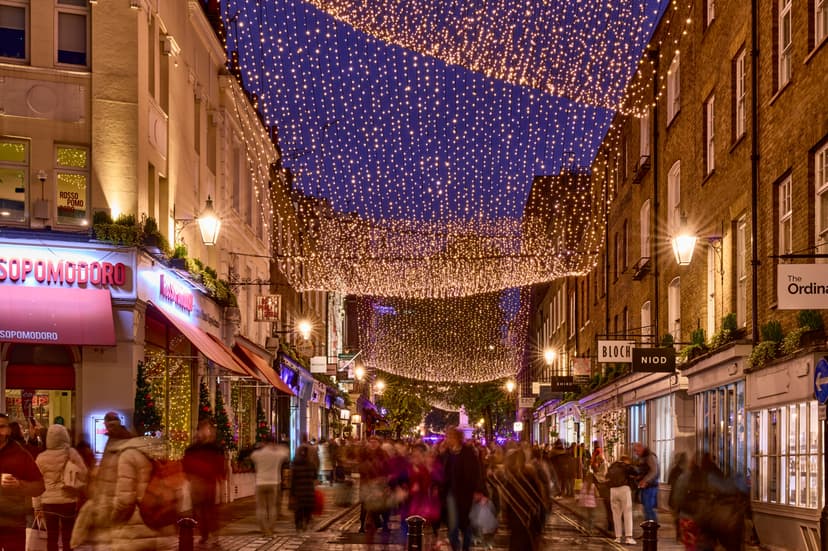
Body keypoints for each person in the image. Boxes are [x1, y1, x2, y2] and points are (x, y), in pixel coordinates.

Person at [34, 424, 88, 551]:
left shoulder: (41, 458)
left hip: (48, 502)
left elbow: (36, 484)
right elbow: (84, 473)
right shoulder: (71, 453)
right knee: (68, 536)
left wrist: (36, 506)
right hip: (68, 500)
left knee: (51, 537)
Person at [0, 412, 46, 550]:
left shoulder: (20, 454)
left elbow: (39, 487)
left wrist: (20, 484)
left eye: (1, 427)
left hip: (13, 524)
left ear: (8, 429)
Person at [182, 419, 227, 547]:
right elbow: (186, 464)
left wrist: (221, 482)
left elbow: (220, 466)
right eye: (204, 429)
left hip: (209, 484)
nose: (207, 432)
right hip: (196, 483)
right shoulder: (193, 448)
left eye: (209, 430)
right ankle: (204, 535)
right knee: (199, 512)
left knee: (210, 511)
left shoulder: (215, 448)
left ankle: (212, 536)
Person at [442, 426, 486, 551]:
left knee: (466, 522)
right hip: (451, 493)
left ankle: (466, 547)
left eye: (449, 436)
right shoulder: (447, 454)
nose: (447, 439)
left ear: (456, 438)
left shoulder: (468, 452)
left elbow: (476, 472)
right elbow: (444, 473)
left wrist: (479, 490)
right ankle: (455, 546)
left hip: (466, 493)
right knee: (452, 524)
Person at [249, 436, 290, 536]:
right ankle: (270, 529)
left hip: (260, 483)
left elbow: (251, 455)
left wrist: (260, 447)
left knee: (261, 508)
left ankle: (264, 530)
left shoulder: (257, 454)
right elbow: (286, 452)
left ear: (264, 442)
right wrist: (276, 447)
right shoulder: (277, 454)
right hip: (274, 483)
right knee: (272, 507)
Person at [607, 455, 637, 545]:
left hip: (613, 490)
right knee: (627, 513)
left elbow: (606, 476)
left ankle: (618, 537)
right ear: (626, 460)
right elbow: (635, 471)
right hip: (624, 489)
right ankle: (629, 537)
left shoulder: (612, 466)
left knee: (616, 514)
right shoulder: (625, 466)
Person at [290, 444, 317, 532]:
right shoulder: (311, 465)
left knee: (298, 510)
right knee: (307, 509)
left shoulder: (294, 465)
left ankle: (298, 525)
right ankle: (306, 522)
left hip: (298, 492)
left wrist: (291, 494)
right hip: (309, 492)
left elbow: (293, 481)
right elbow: (315, 477)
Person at [633, 442, 659, 522]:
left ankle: (652, 528)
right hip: (646, 486)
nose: (636, 453)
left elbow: (654, 471)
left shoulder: (650, 457)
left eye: (637, 451)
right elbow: (644, 470)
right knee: (646, 509)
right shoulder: (643, 457)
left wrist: (645, 481)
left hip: (650, 487)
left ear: (642, 448)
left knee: (649, 508)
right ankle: (648, 528)